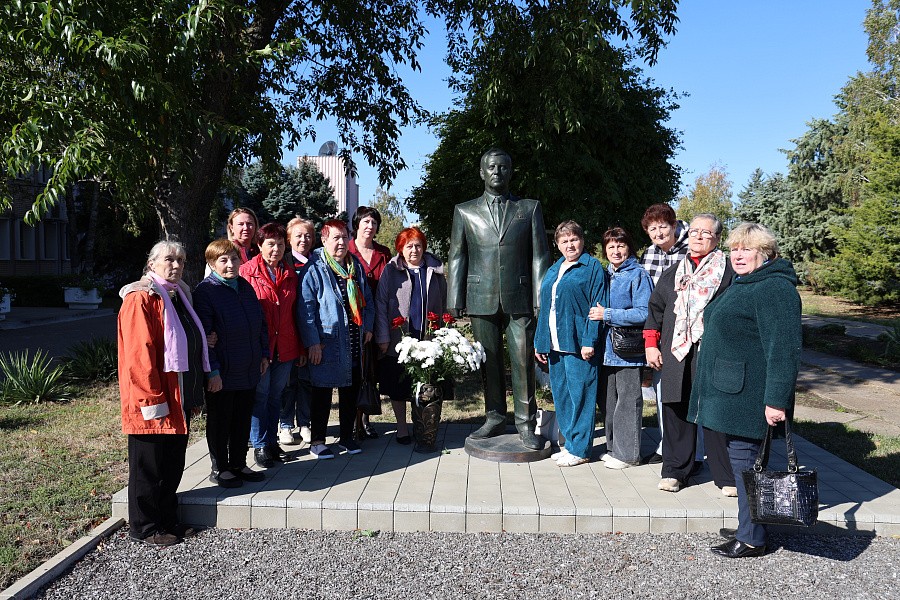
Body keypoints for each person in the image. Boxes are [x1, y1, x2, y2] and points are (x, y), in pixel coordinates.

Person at [690, 222, 801, 558]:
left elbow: (783, 349)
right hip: (731, 392)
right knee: (744, 465)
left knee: (746, 464)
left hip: (749, 396)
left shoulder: (773, 289)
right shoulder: (746, 283)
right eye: (735, 248)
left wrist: (776, 400)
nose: (738, 255)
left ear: (764, 253)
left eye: (747, 249)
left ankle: (752, 538)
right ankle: (748, 526)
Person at [447, 148, 551, 449]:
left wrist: (539, 298)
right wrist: (454, 298)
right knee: (488, 361)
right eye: (491, 167)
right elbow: (457, 255)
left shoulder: (529, 208)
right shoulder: (464, 211)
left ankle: (525, 422)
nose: (497, 172)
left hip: (520, 297)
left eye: (503, 167)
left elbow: (539, 256)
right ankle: (493, 416)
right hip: (480, 296)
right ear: (482, 172)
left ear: (510, 171)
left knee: (522, 360)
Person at [117, 240, 210, 546]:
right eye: (169, 259)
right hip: (153, 398)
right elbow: (139, 356)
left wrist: (192, 395)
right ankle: (145, 527)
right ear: (151, 263)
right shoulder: (141, 297)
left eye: (181, 260)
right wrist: (151, 399)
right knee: (149, 466)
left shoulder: (179, 294)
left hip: (178, 396)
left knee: (171, 464)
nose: (176, 265)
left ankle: (167, 519)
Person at [643, 214, 735, 494]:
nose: (697, 237)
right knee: (675, 409)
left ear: (717, 239)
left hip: (714, 353)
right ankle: (674, 470)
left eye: (705, 233)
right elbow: (655, 311)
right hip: (676, 354)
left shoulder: (729, 272)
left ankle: (727, 477)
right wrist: (650, 344)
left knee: (716, 412)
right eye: (694, 231)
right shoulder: (675, 272)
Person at [193, 239, 268, 488]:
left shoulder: (245, 288)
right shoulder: (205, 292)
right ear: (212, 264)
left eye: (234, 259)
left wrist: (264, 354)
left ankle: (238, 463)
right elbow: (205, 337)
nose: (230, 264)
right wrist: (212, 371)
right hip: (222, 370)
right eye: (223, 260)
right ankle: (220, 468)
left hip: (248, 366)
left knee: (242, 418)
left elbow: (260, 324)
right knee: (220, 420)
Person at [299, 219, 375, 459]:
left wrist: (369, 327)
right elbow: (306, 308)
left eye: (344, 237)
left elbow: (368, 301)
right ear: (324, 240)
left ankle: (347, 436)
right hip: (326, 342)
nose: (341, 242)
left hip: (353, 339)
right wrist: (312, 342)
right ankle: (318, 441)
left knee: (350, 389)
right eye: (335, 238)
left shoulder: (355, 267)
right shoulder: (315, 268)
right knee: (322, 391)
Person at [534, 220, 607, 467]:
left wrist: (590, 341)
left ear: (582, 241)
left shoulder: (592, 267)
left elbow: (597, 306)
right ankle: (570, 444)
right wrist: (540, 341)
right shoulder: (555, 268)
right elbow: (546, 307)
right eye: (564, 241)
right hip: (555, 344)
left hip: (579, 345)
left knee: (582, 397)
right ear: (557, 245)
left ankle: (581, 449)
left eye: (573, 239)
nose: (570, 245)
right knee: (562, 396)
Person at [374, 226, 448, 452]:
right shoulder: (391, 270)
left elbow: (445, 302)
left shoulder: (434, 270)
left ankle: (424, 424)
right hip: (400, 337)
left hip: (427, 337)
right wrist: (383, 336)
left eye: (418, 245)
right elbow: (381, 302)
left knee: (424, 384)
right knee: (398, 384)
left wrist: (443, 334)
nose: (414, 250)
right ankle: (401, 427)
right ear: (401, 249)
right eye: (409, 246)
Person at [239, 223, 304, 468]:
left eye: (280, 244)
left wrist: (301, 348)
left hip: (285, 346)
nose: (275, 249)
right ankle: (259, 445)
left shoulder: (290, 274)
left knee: (276, 396)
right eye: (270, 244)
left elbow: (297, 312)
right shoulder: (247, 272)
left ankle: (272, 442)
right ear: (259, 245)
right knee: (261, 395)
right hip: (260, 348)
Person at [588, 227, 653, 470]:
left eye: (620, 246)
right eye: (611, 246)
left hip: (627, 350)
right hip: (605, 349)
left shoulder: (638, 275)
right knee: (607, 401)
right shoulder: (605, 273)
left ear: (629, 248)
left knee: (627, 400)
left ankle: (628, 455)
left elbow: (644, 312)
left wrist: (608, 314)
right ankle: (613, 448)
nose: (616, 251)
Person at [638, 203, 690, 464]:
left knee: (690, 394)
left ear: (673, 225)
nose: (658, 233)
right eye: (652, 229)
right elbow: (649, 299)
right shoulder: (649, 254)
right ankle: (666, 445)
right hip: (659, 334)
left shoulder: (693, 248)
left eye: (662, 226)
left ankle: (694, 449)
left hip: (690, 333)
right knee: (662, 393)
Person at [348, 205, 393, 440]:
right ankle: (352, 422)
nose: (370, 226)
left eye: (374, 223)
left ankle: (365, 420)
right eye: (365, 221)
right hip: (352, 320)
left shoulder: (384, 253)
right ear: (357, 224)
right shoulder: (345, 250)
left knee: (372, 372)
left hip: (377, 319)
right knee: (355, 370)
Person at [278, 217, 316, 447]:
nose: (304, 239)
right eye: (299, 235)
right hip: (287, 331)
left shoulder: (318, 262)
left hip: (310, 330)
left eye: (308, 235)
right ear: (289, 239)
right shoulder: (283, 263)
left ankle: (305, 422)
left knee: (306, 380)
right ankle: (284, 424)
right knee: (287, 381)